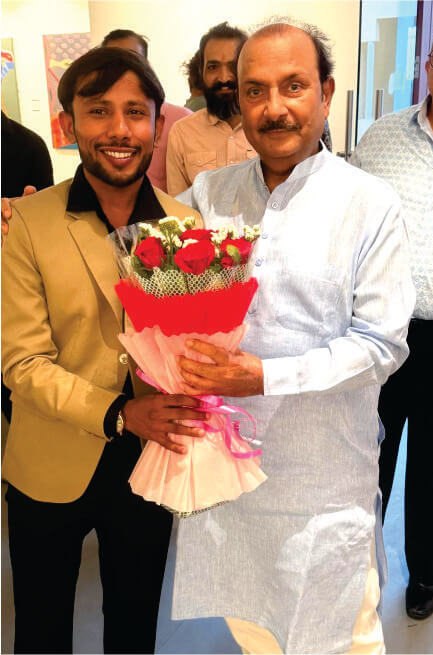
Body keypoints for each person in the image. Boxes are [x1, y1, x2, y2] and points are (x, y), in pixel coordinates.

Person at [171, 18, 415, 654]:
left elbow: (382, 345)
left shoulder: (370, 203)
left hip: (323, 484)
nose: (273, 107)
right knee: (255, 635)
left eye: (293, 86)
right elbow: (144, 253)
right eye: (255, 90)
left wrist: (265, 376)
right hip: (230, 477)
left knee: (342, 640)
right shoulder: (209, 195)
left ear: (326, 93)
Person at [1, 46, 205, 654]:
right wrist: (119, 412)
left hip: (148, 462)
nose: (119, 130)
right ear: (69, 124)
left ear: (158, 127)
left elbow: (193, 342)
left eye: (135, 112)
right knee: (41, 631)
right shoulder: (29, 221)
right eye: (98, 110)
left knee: (135, 626)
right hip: (50, 458)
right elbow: (21, 363)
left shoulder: (185, 227)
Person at [350, 9, 433, 621]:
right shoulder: (380, 138)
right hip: (376, 328)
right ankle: (352, 567)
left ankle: (427, 573)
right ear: (427, 64)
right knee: (362, 452)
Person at [1, 111, 54, 423]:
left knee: (17, 400)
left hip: (15, 296)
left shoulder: (27, 145)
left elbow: (48, 229)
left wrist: (24, 219)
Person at [166, 22, 257, 196]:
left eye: (233, 66)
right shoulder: (182, 133)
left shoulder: (269, 128)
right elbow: (177, 206)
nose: (224, 78)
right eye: (213, 67)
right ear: (201, 72)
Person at [101, 28, 191, 193]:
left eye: (133, 59)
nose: (123, 70)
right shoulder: (96, 122)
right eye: (113, 62)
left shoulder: (182, 120)